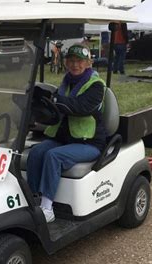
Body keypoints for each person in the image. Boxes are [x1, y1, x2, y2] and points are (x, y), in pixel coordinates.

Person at [27, 44, 106, 223]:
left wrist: (54, 99)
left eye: (79, 61)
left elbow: (80, 107)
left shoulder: (96, 86)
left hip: (89, 143)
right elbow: (56, 106)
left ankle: (47, 209)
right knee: (36, 152)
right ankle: (33, 199)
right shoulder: (66, 83)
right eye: (71, 61)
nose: (75, 65)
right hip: (65, 139)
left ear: (88, 63)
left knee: (54, 156)